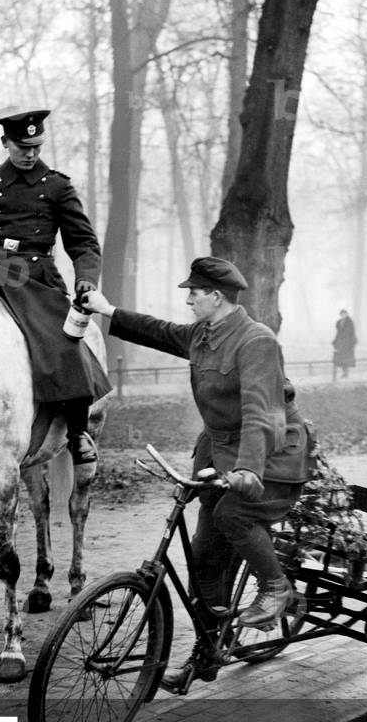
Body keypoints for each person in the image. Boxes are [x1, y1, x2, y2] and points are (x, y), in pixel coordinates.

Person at [83, 257, 313, 693]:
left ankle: (275, 586)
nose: (188, 299)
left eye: (195, 292)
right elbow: (158, 330)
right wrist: (106, 310)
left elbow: (262, 413)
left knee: (233, 517)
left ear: (217, 297)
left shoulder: (255, 341)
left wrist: (247, 467)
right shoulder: (203, 336)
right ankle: (205, 655)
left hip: (273, 460)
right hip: (221, 456)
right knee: (204, 562)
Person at [0, 107, 110, 465]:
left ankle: (77, 431)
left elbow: (83, 243)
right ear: (6, 142)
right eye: (22, 146)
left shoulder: (56, 186)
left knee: (66, 344)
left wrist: (85, 278)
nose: (30, 153)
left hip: (35, 278)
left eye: (36, 146)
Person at [332, 309, 357, 379]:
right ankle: (344, 373)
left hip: (348, 343)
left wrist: (352, 342)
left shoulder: (350, 322)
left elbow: (351, 333)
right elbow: (338, 333)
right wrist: (335, 341)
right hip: (340, 343)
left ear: (346, 314)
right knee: (341, 359)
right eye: (341, 314)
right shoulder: (339, 322)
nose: (343, 315)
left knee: (346, 358)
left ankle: (346, 373)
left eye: (344, 314)